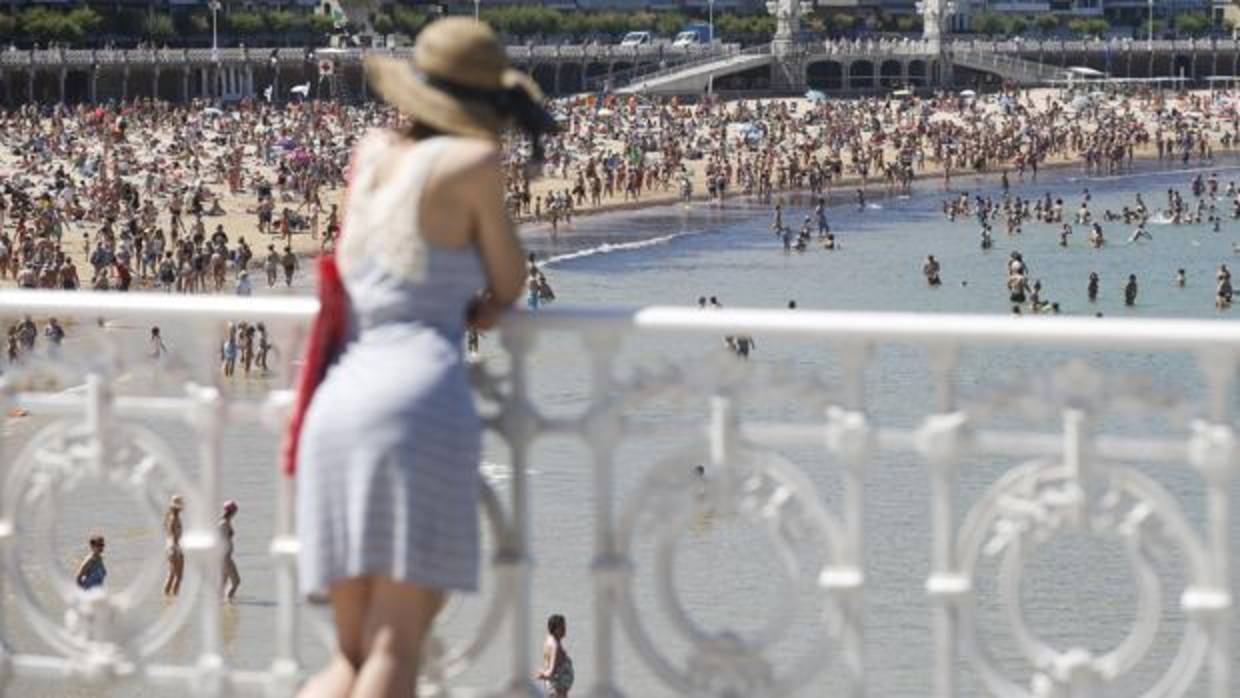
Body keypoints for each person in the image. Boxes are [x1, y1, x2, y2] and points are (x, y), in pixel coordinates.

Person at [293, 19, 553, 698]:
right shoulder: (469, 164)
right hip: (415, 401)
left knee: (348, 656)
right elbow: (509, 279)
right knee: (395, 647)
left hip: (339, 398)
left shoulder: (372, 152)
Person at [537, 614, 574, 697]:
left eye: (565, 626)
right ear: (555, 629)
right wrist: (543, 675)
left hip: (556, 687)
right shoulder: (554, 645)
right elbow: (551, 670)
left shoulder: (550, 639)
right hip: (557, 688)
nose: (565, 629)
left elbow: (549, 663)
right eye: (562, 627)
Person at [164, 495, 184, 596]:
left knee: (171, 574)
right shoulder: (174, 518)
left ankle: (167, 598)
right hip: (174, 548)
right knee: (179, 576)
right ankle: (175, 598)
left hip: (169, 547)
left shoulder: (169, 516)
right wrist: (178, 551)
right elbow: (174, 535)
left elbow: (168, 533)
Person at [219, 500, 240, 601]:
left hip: (226, 556)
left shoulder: (226, 522)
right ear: (232, 511)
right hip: (224, 557)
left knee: (223, 582)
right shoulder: (223, 524)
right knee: (236, 581)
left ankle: (222, 605)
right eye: (235, 511)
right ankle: (229, 603)